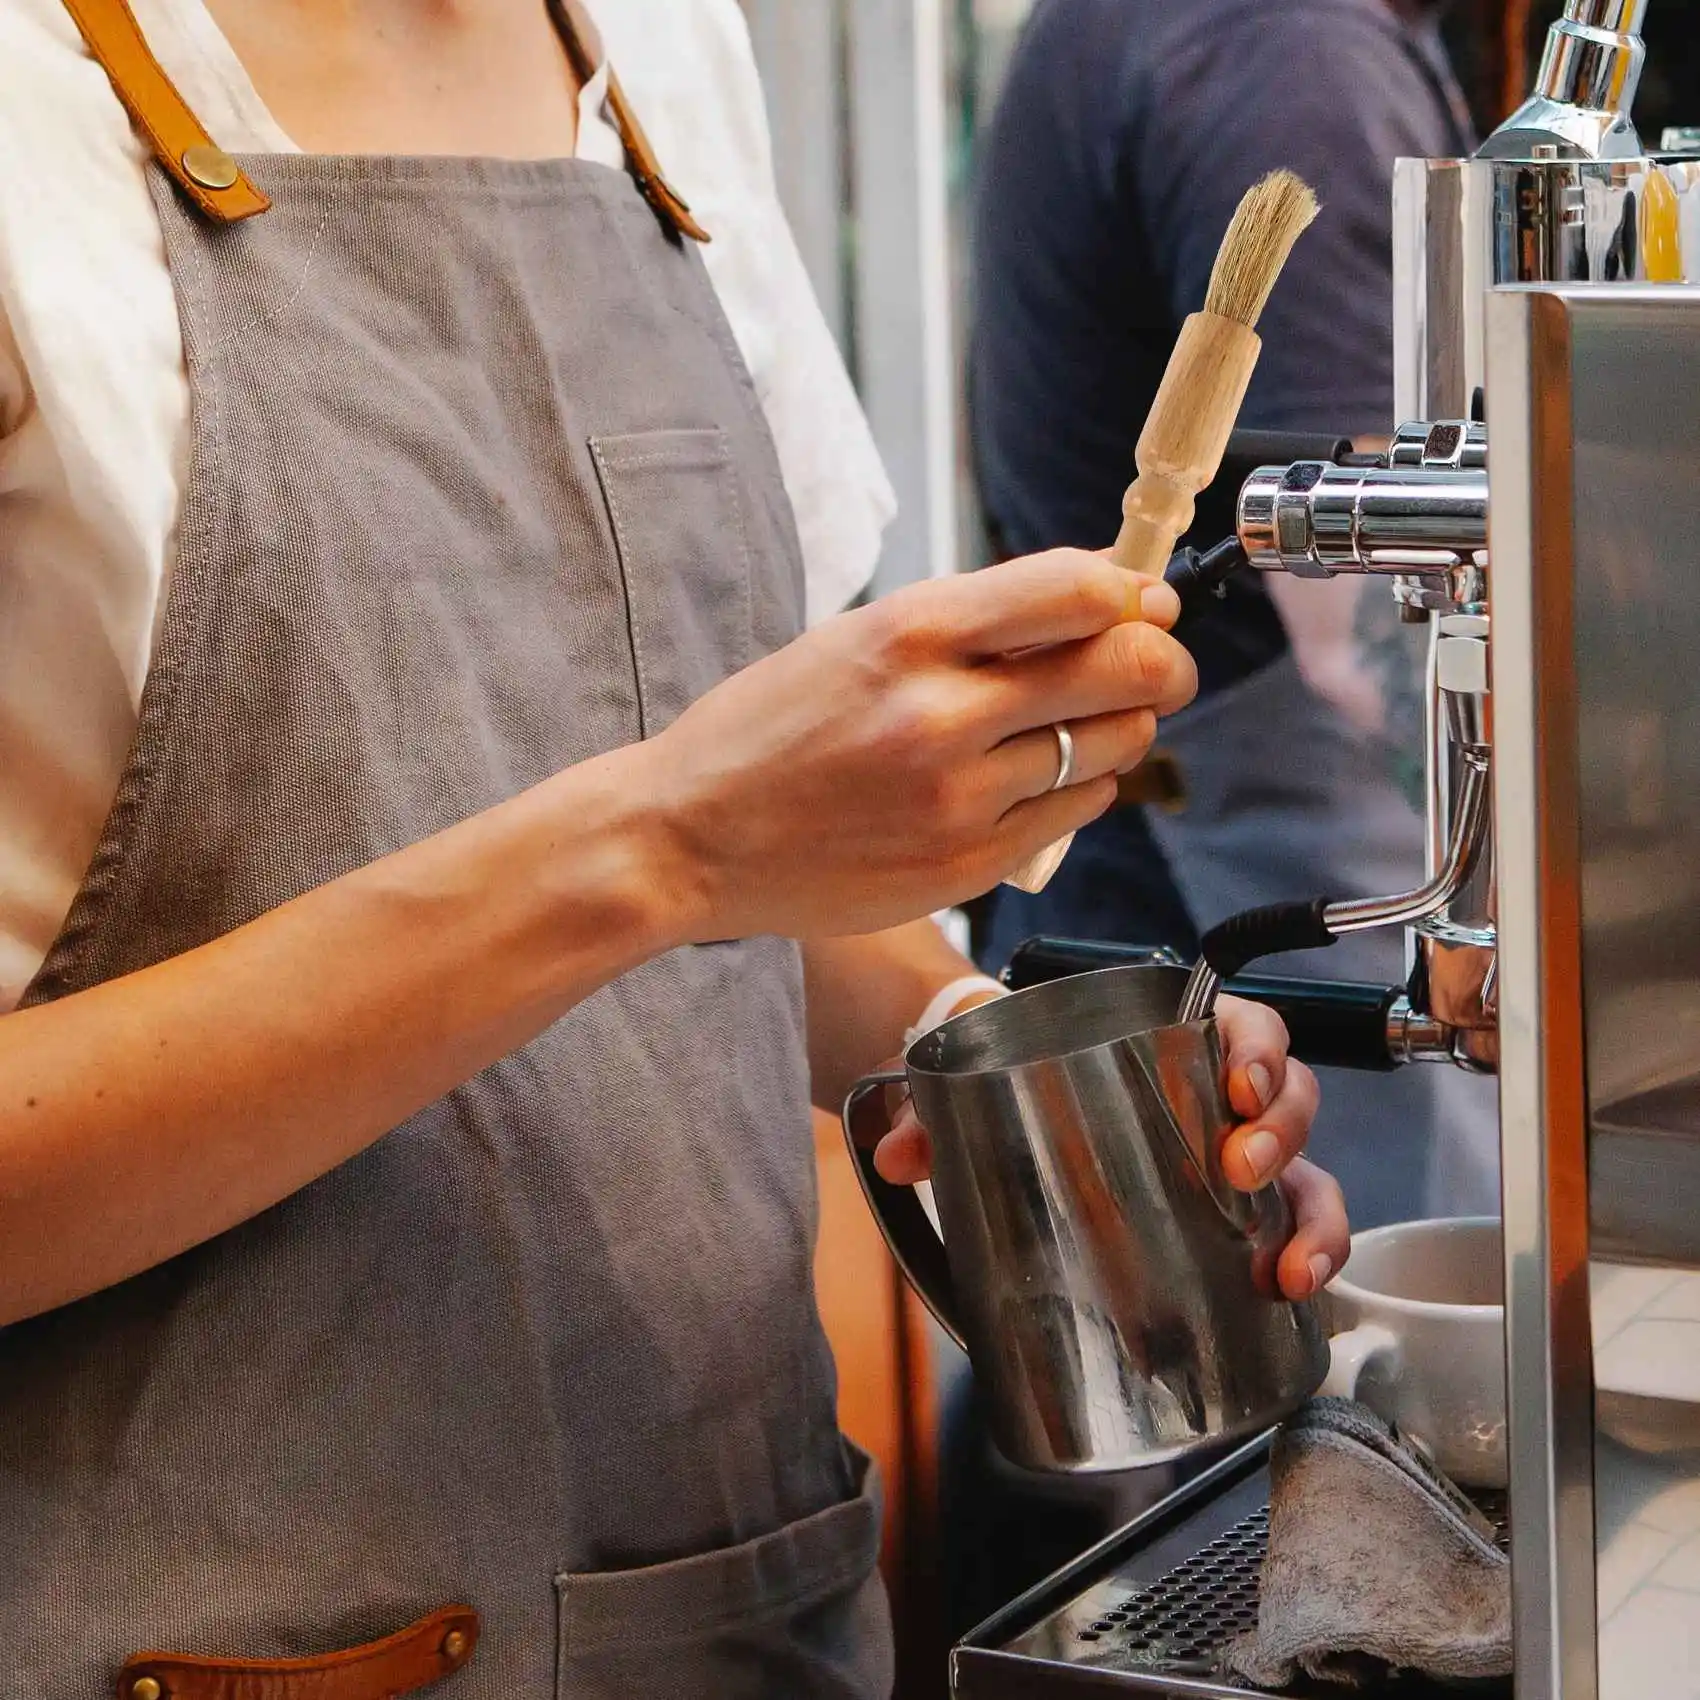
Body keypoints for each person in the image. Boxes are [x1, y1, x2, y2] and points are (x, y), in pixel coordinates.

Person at [0, 0, 1346, 1694]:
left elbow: (750, 865)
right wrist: (666, 845)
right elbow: (690, 841)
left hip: (738, 1614)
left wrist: (992, 1076)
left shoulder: (662, 59)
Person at [946, 0, 1498, 1635]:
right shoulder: (1284, 58)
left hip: (1124, 868)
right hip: (1260, 864)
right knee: (1363, 1472)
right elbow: (1366, 643)